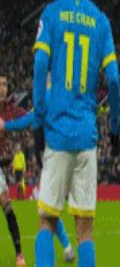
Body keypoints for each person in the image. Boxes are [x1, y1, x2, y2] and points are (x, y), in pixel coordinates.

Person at [32, 0, 120, 267]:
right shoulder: (101, 21)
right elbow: (114, 79)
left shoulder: (51, 14)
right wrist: (114, 130)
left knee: (47, 220)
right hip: (86, 135)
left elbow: (40, 66)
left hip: (57, 132)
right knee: (85, 229)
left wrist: (38, 122)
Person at [0, 74, 75, 262]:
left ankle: (61, 250)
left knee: (45, 209)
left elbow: (28, 119)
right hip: (60, 154)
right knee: (47, 207)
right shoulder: (60, 96)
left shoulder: (48, 96)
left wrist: (5, 126)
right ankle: (67, 249)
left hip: (55, 154)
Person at [0, 75, 26, 266]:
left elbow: (29, 116)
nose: (3, 87)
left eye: (5, 84)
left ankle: (19, 254)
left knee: (6, 203)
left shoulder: (10, 110)